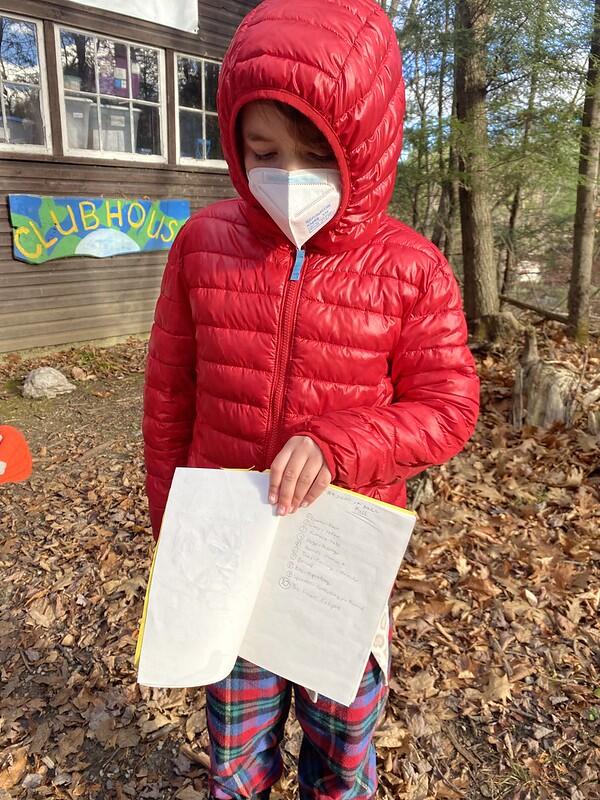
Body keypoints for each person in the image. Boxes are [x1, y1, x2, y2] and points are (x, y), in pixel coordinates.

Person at [142, 0, 480, 797]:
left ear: (364, 147)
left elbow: (450, 406)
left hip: (338, 570)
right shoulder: (203, 248)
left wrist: (341, 443)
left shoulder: (410, 268)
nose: (288, 177)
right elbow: (168, 402)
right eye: (263, 150)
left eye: (316, 155)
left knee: (341, 756)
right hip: (226, 557)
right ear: (233, 141)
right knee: (236, 756)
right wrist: (176, 531)